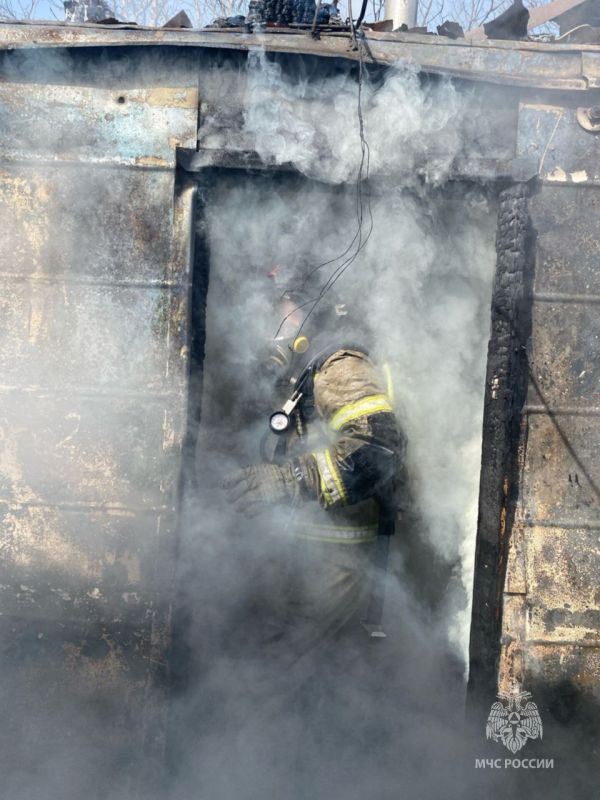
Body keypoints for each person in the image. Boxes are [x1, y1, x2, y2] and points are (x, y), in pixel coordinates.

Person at [223, 274, 406, 656]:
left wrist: (291, 479)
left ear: (314, 303)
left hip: (335, 558)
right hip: (305, 547)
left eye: (285, 302)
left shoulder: (339, 364)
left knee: (290, 663)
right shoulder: (306, 363)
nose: (277, 314)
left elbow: (378, 447)